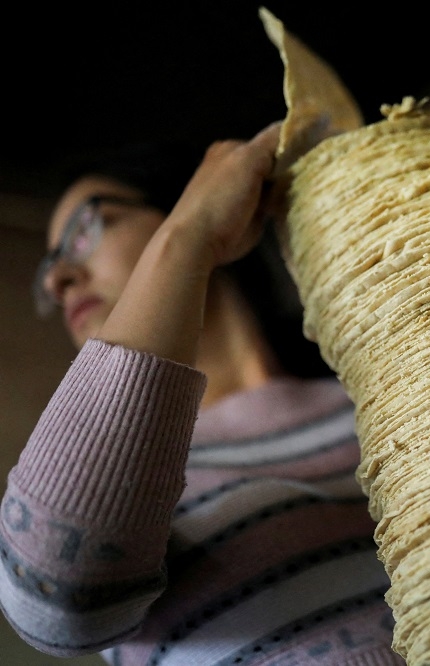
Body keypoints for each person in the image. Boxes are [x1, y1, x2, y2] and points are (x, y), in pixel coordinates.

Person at [0, 121, 406, 665]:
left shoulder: (383, 401)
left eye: (85, 228)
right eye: (48, 268)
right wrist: (189, 237)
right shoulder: (129, 477)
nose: (58, 280)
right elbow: (51, 600)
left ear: (207, 196)